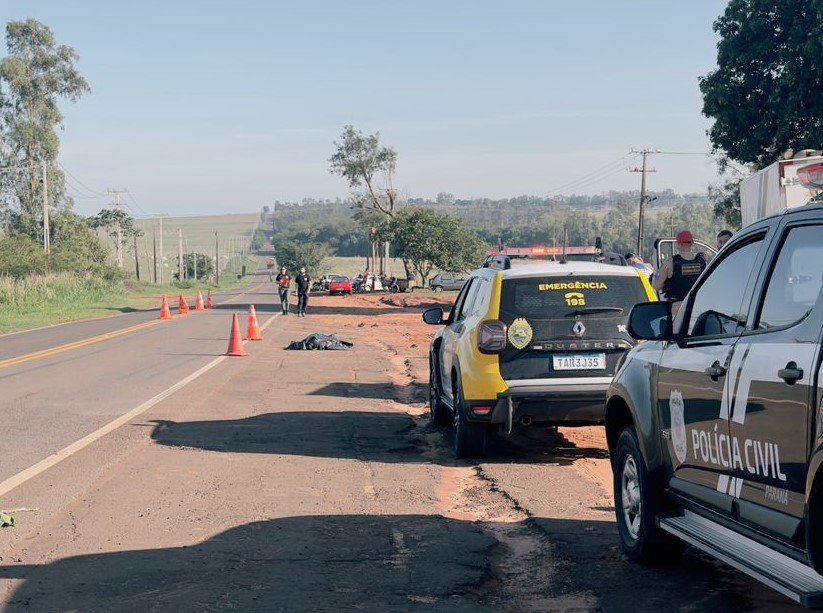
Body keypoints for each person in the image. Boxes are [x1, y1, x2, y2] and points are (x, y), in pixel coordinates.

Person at [653, 230, 707, 301]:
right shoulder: (702, 262)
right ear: (692, 243)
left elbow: (656, 286)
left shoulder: (670, 262)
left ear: (678, 244)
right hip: (696, 303)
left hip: (678, 305)